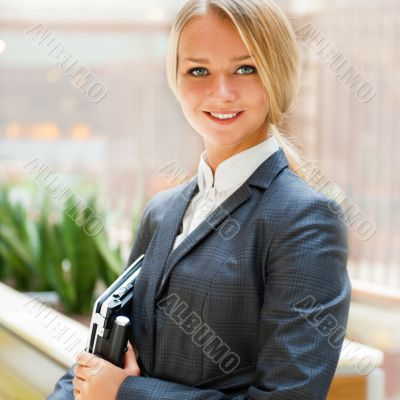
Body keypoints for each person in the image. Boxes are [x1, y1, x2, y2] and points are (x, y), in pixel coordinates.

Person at [48, 0, 351, 399]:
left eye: (246, 68)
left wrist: (127, 393)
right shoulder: (163, 211)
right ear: (176, 80)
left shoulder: (305, 219)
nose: (221, 92)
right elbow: (105, 354)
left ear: (278, 74)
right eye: (198, 70)